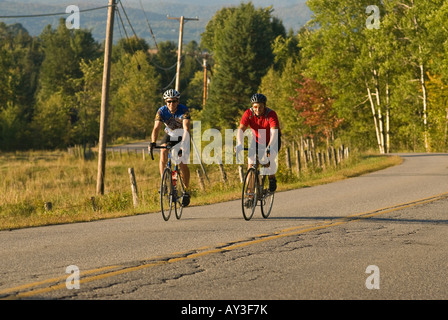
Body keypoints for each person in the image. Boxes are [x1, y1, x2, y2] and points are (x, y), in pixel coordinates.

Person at [149, 89, 191, 206]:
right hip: (169, 134)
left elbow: (186, 129)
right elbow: (156, 128)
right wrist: (153, 142)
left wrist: (183, 145)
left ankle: (186, 191)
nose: (171, 104)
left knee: (182, 163)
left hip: (182, 135)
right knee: (163, 151)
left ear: (178, 101)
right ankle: (165, 184)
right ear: (166, 102)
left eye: (174, 101)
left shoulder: (184, 110)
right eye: (169, 101)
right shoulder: (161, 111)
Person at [235, 93, 281, 193]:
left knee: (268, 158)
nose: (258, 109)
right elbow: (241, 129)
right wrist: (239, 143)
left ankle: (271, 178)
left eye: (260, 107)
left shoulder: (271, 114)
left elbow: (274, 132)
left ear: (264, 106)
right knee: (251, 165)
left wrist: (269, 147)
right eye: (255, 107)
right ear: (252, 106)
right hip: (257, 140)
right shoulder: (248, 113)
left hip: (273, 139)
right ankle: (250, 194)